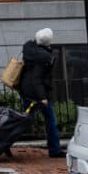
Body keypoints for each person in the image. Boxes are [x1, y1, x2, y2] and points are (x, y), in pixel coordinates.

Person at [16, 27, 64, 158]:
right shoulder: (44, 58)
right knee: (50, 120)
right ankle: (54, 150)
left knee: (23, 120)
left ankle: (5, 141)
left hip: (26, 91)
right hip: (38, 93)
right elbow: (37, 78)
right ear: (47, 42)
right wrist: (42, 97)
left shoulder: (28, 48)